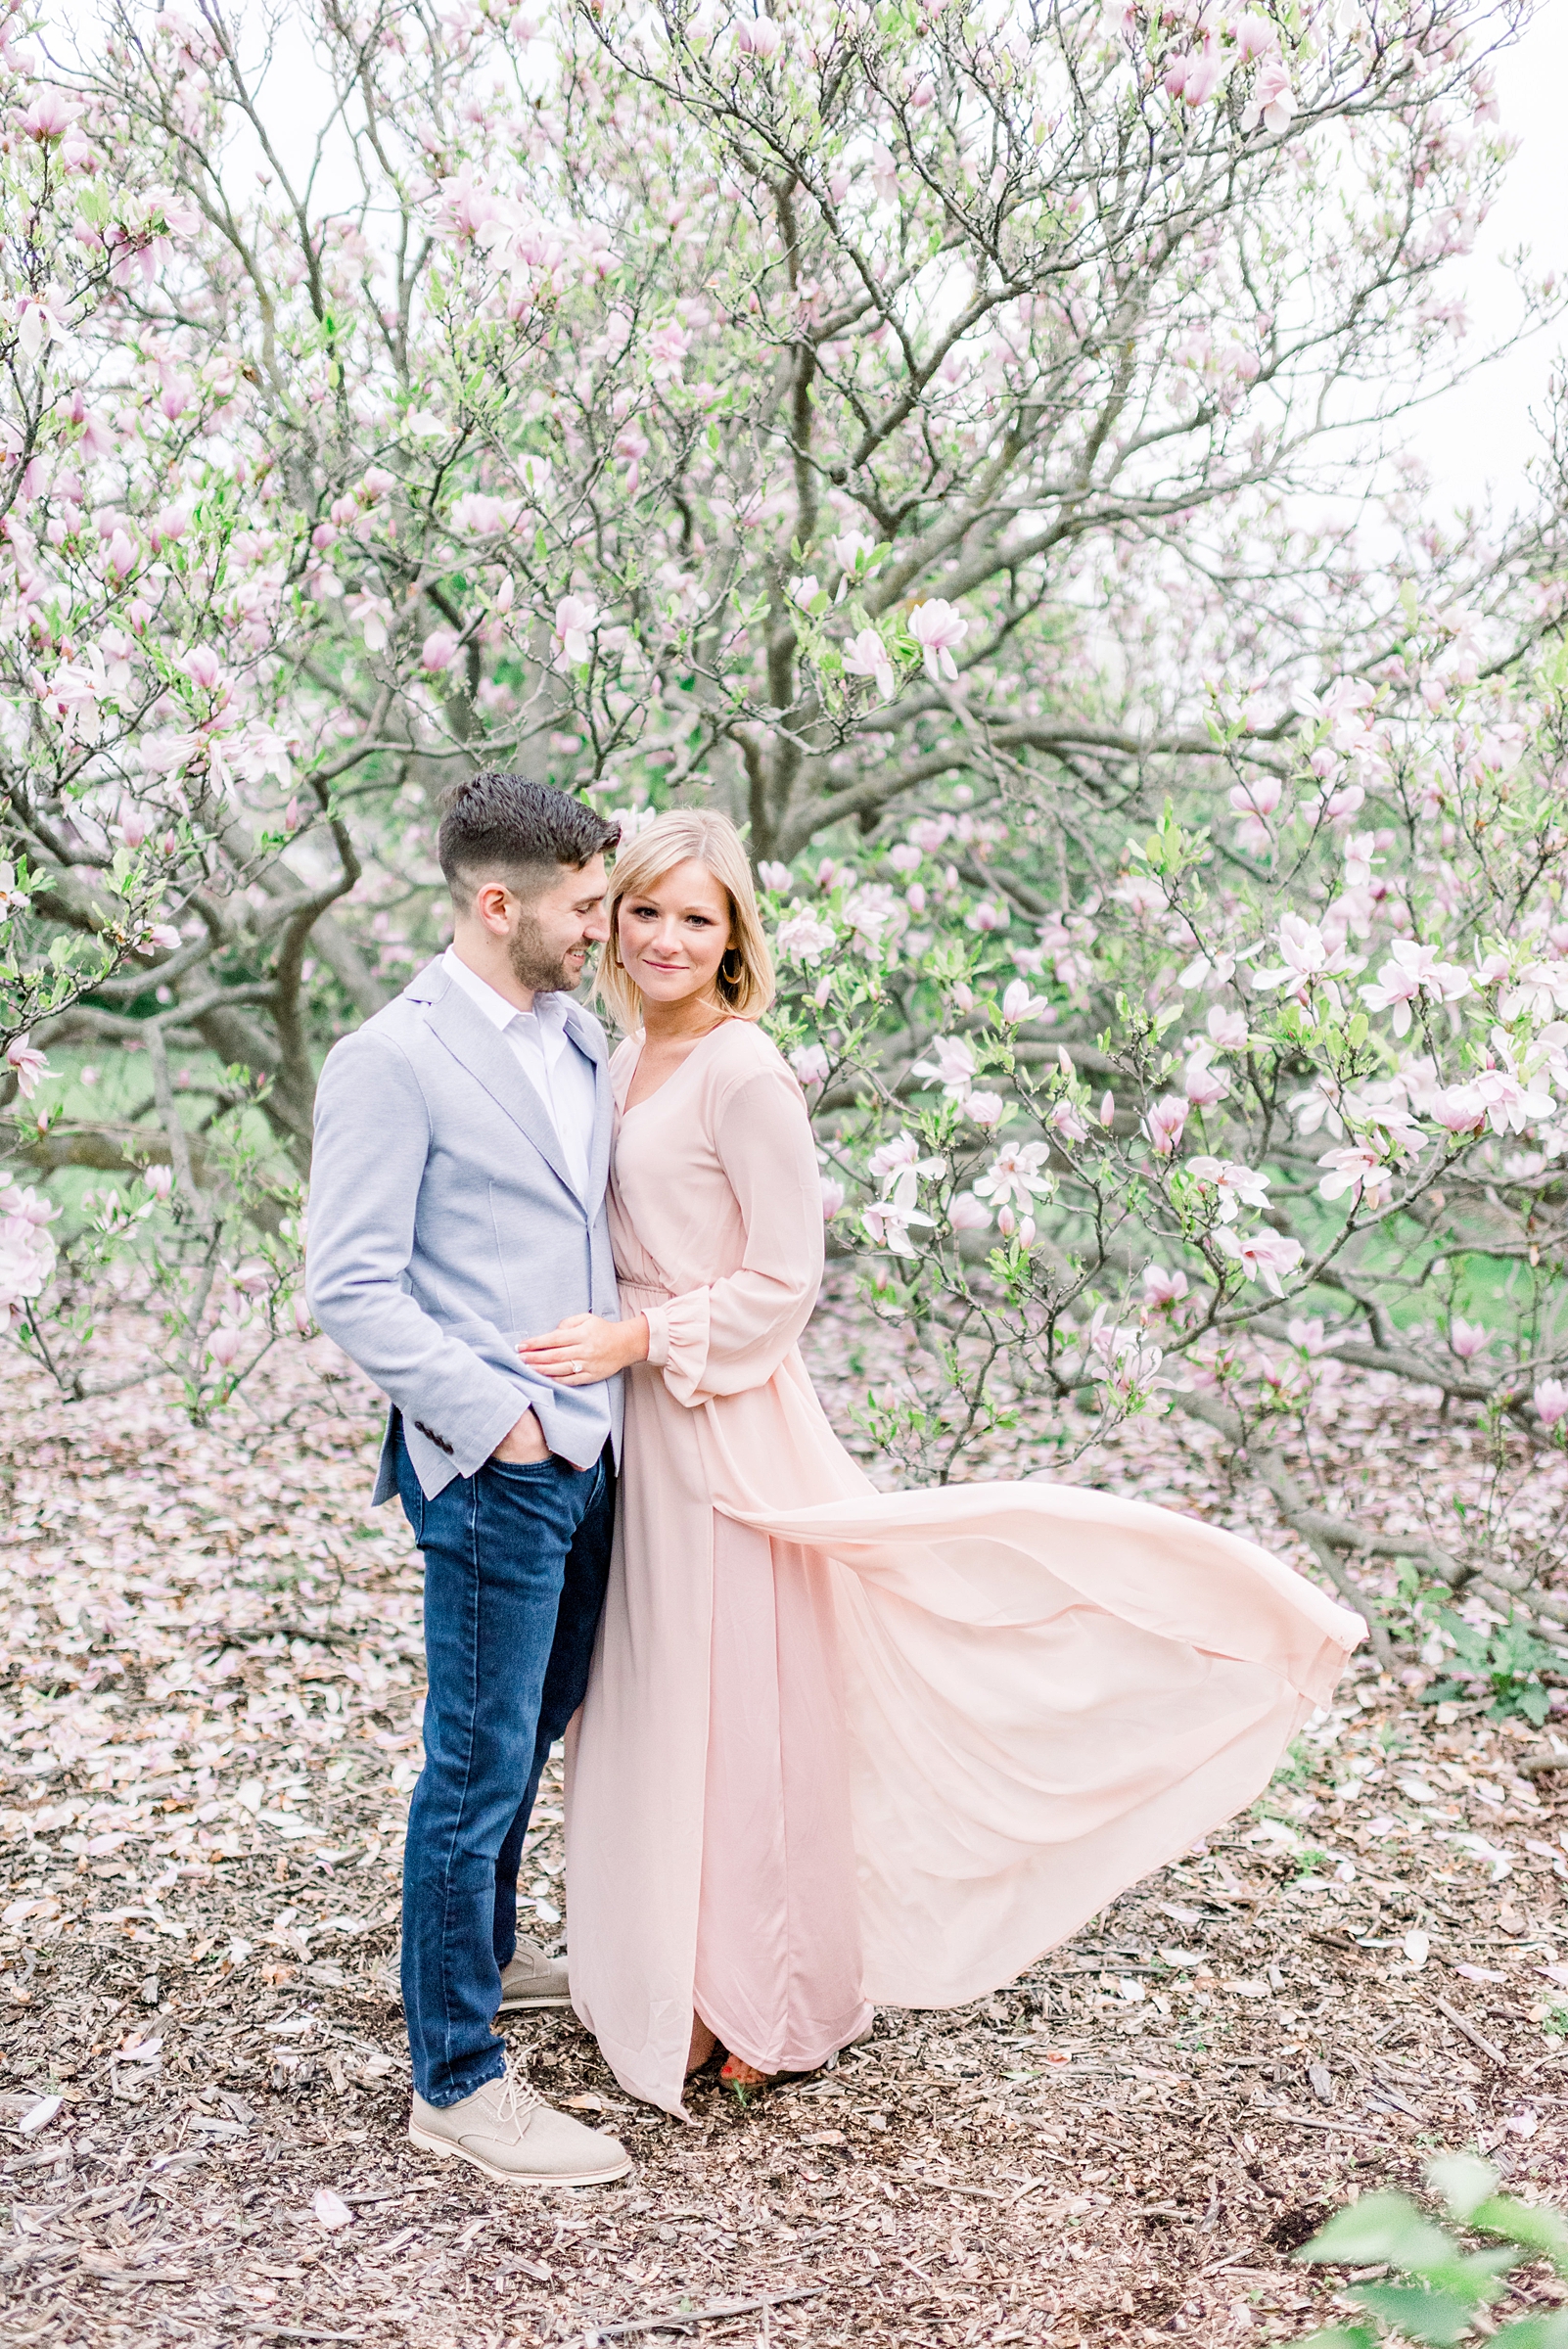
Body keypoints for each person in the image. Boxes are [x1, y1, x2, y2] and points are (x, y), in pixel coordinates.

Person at [520, 807, 1364, 2120]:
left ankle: (761, 1993)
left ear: (735, 938)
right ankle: (657, 1966)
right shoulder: (620, 1053)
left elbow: (784, 1281)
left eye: (698, 917)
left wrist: (643, 1331)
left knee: (735, 1710)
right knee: (641, 1704)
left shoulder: (744, 1073)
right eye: (647, 912)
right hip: (624, 1427)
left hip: (718, 1420)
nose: (668, 937)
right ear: (613, 923)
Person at [305, 771, 633, 2187]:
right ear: (497, 903)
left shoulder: (576, 1038)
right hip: (494, 1465)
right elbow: (351, 1286)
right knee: (476, 1764)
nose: (602, 930)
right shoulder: (390, 1058)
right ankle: (454, 2074)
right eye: (582, 905)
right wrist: (497, 1421)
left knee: (536, 1729)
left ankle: (485, 1960)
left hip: (595, 1453)